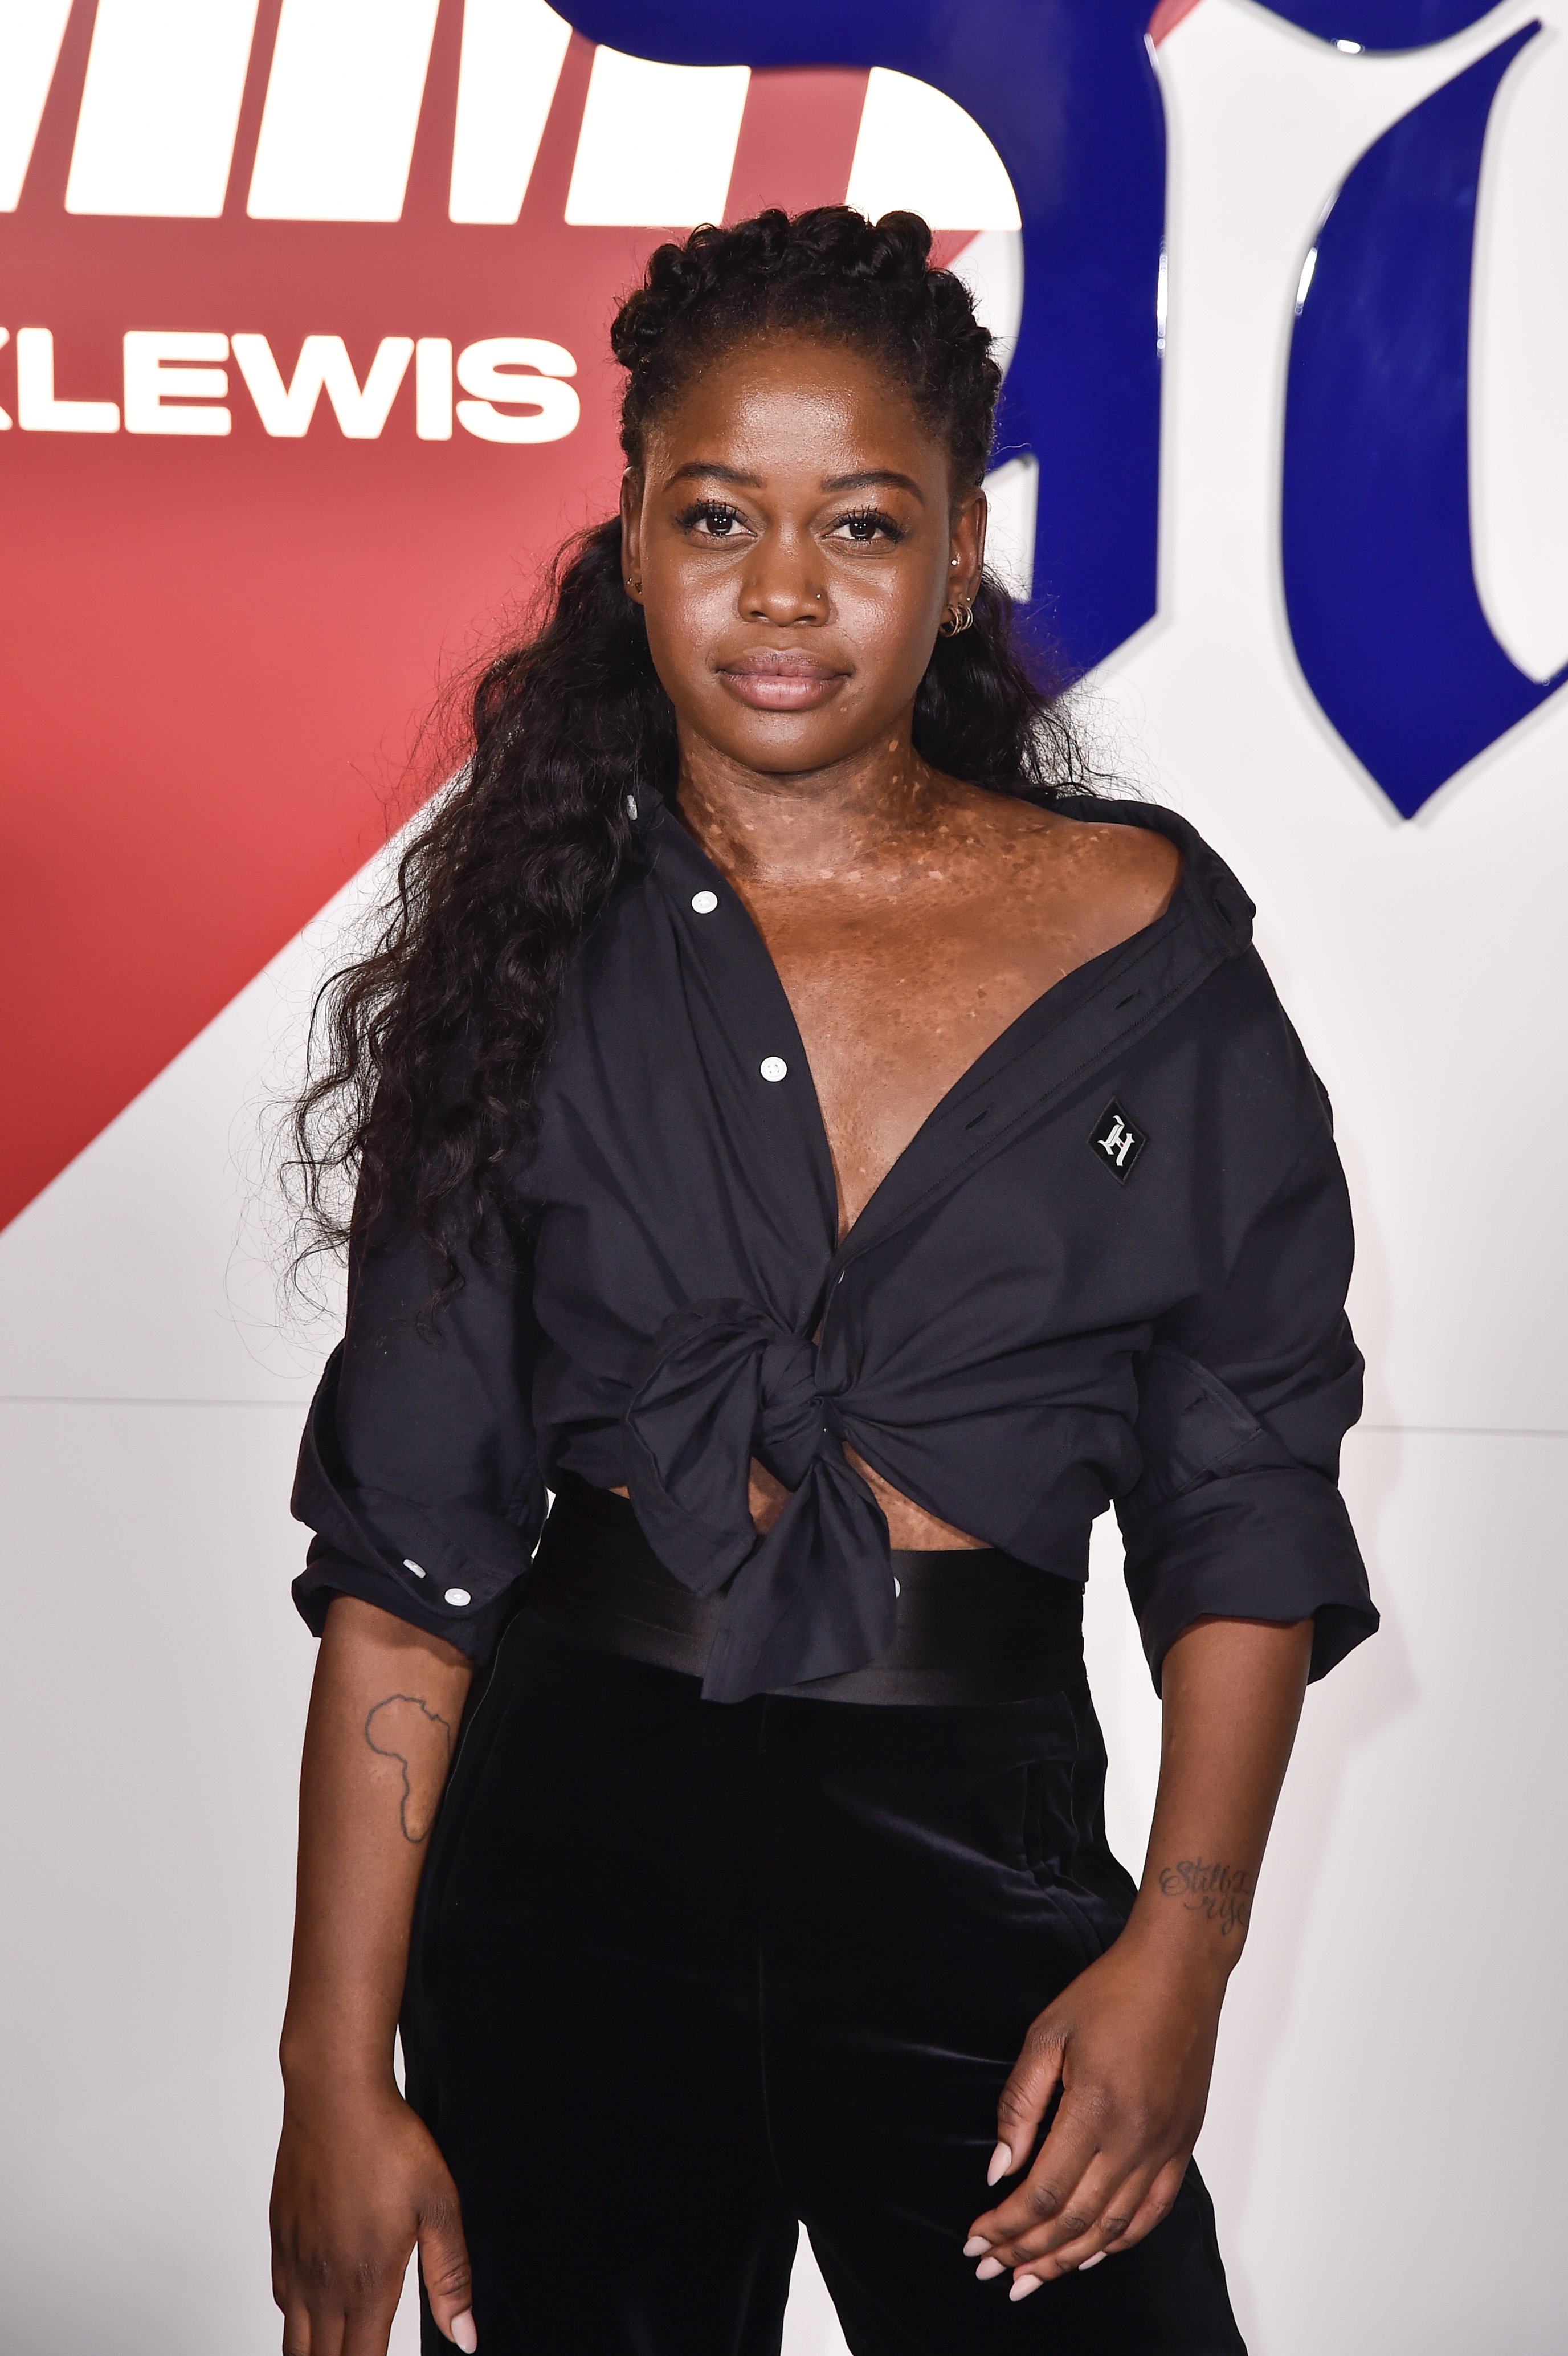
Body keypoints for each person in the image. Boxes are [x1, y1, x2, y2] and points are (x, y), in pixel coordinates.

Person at [270, 207, 1377, 2356]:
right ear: (633, 533)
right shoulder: (528, 959)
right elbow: (412, 1561)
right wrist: (333, 2071)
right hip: (567, 1870)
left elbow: (1246, 1496)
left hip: (992, 1872)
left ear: (956, 558)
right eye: (718, 517)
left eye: (863, 523)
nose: (784, 592)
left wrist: (1180, 1956)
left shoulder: (1149, 958)